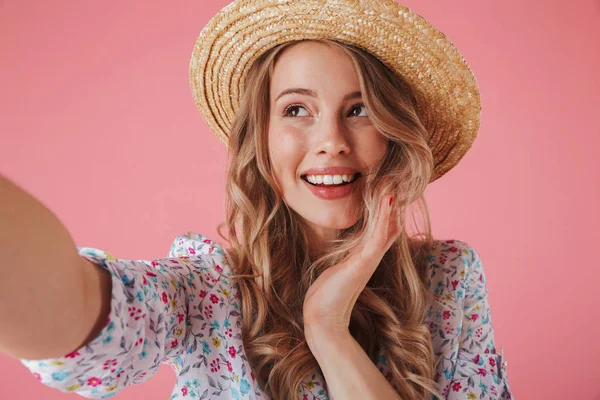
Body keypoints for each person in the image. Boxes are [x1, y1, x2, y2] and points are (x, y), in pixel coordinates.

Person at [1, 0, 514, 399]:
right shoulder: (208, 291)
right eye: (296, 110)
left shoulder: (448, 280)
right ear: (261, 142)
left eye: (359, 110)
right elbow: (76, 313)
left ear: (394, 136)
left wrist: (327, 328)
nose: (331, 140)